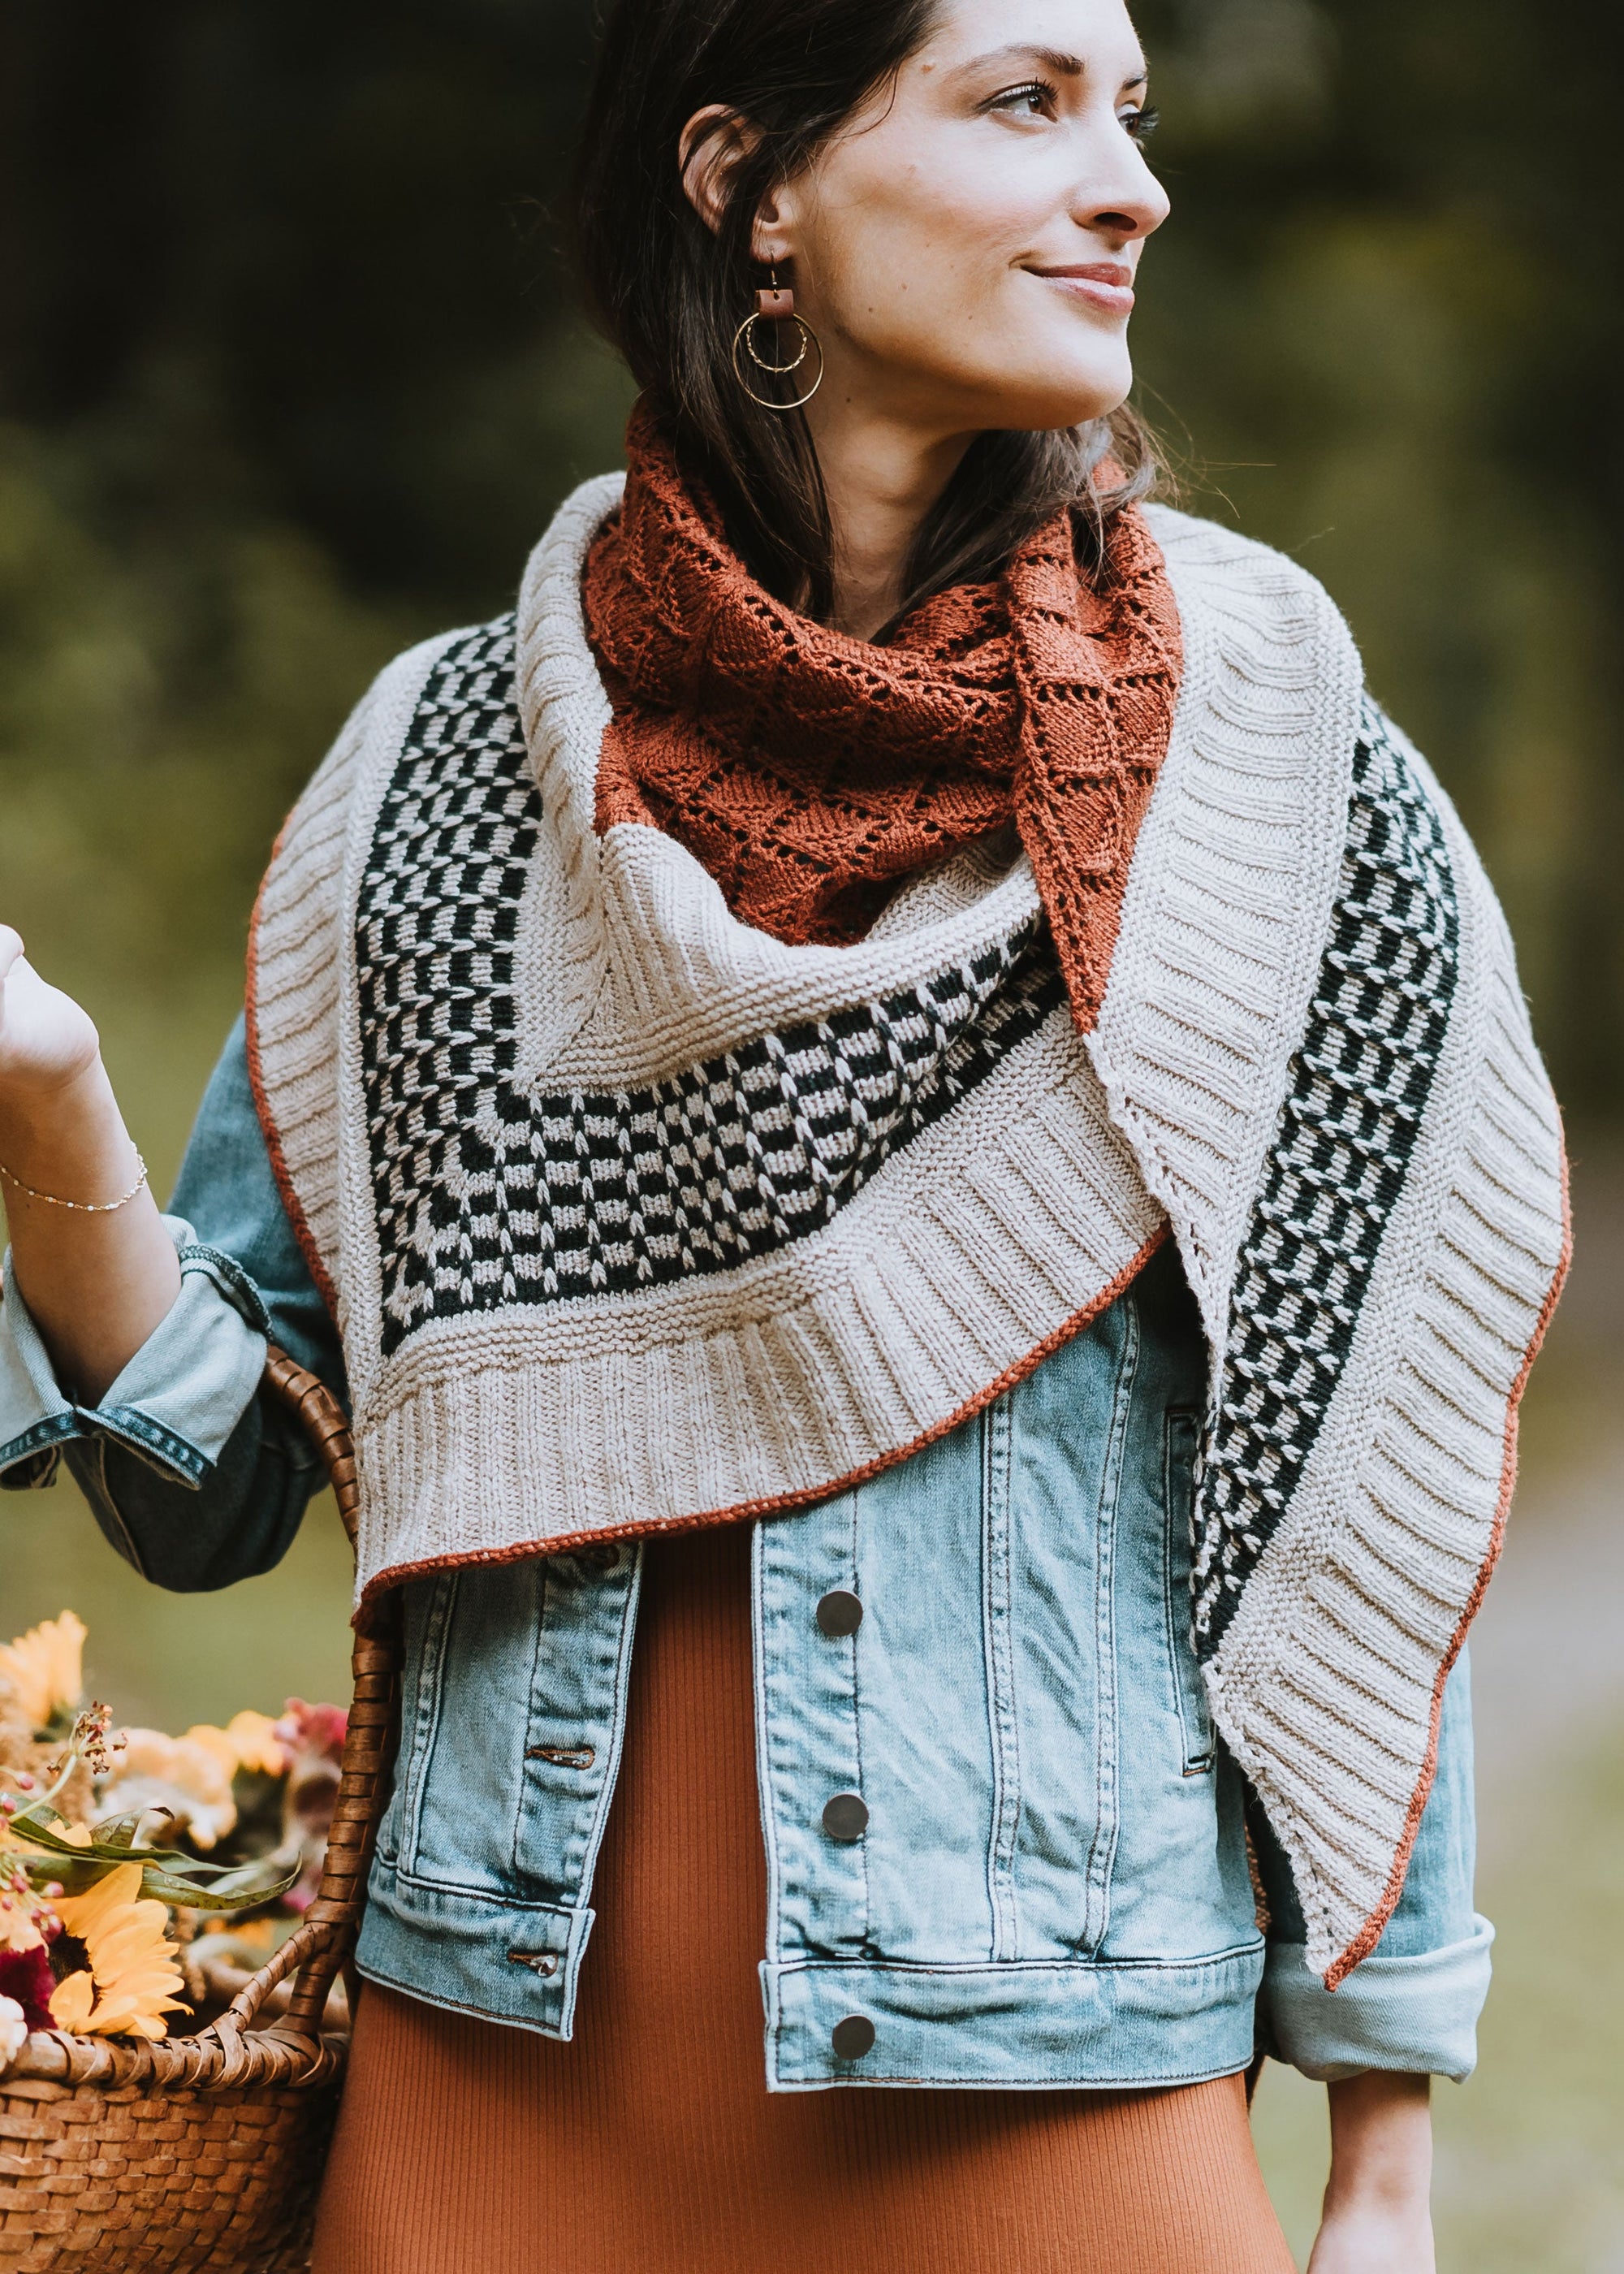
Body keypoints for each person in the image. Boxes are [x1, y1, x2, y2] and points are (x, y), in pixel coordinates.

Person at [0, 0, 1569, 2268]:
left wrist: (1391, 2158)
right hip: (496, 2110)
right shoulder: (456, 774)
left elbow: (1356, 1487)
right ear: (752, 179)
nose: (1128, 181)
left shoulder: (1263, 782)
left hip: (1052, 2120)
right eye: (1024, 101)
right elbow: (223, 1487)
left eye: (1126, 111)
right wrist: (51, 1103)